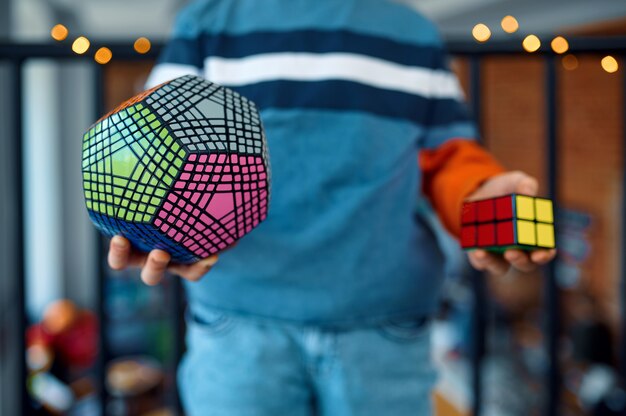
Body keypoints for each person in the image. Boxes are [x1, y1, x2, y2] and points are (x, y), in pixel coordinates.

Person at [108, 0, 556, 414]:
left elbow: (447, 158)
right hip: (238, 323)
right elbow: (148, 148)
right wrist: (155, 238)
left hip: (383, 326)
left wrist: (482, 198)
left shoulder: (412, 33)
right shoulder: (206, 23)